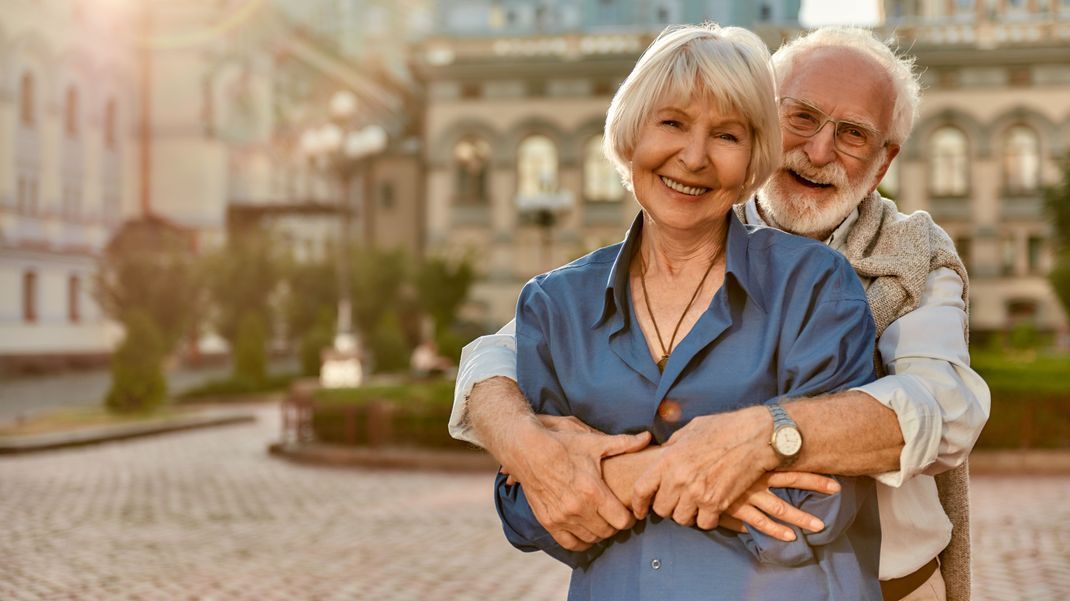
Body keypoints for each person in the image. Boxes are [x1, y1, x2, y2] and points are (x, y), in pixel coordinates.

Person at [449, 26, 990, 601]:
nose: (819, 150)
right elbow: (498, 356)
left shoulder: (908, 258)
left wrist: (759, 436)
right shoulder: (670, 224)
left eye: (853, 134)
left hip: (887, 584)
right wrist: (527, 446)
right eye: (801, 117)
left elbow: (945, 409)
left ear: (883, 164)